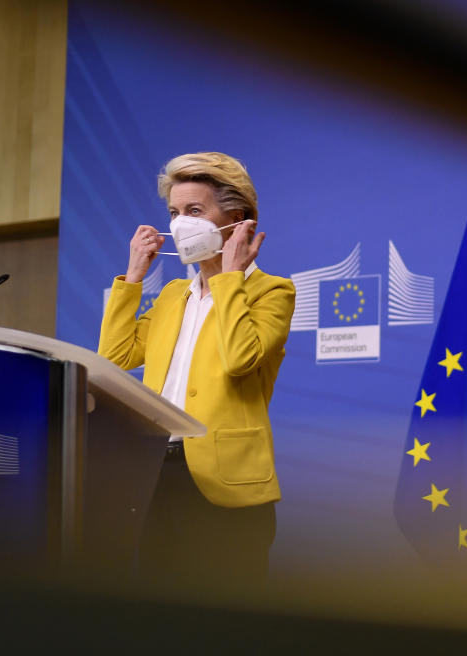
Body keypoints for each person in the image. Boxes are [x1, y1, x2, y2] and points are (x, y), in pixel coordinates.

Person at [98, 152, 295, 588]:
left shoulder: (272, 291)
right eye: (173, 212)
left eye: (194, 210)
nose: (179, 224)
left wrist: (229, 276)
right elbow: (115, 357)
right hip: (154, 474)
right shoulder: (171, 294)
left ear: (236, 218)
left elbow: (241, 358)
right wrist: (133, 276)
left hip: (226, 483)